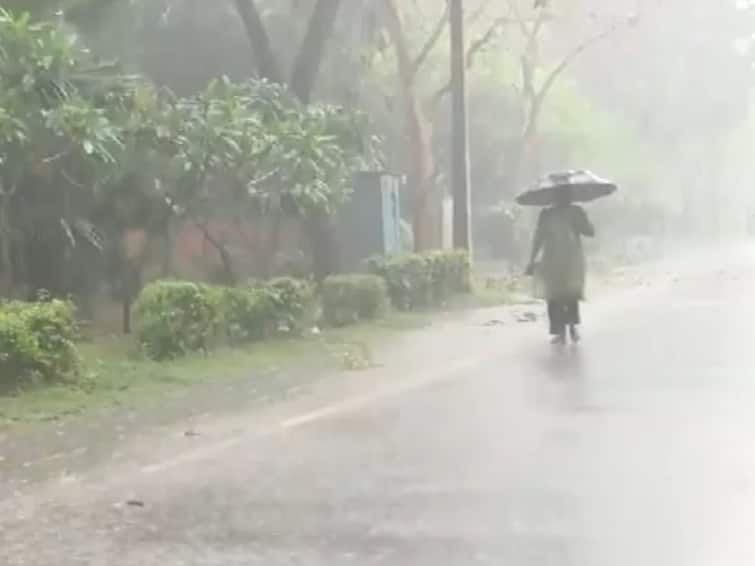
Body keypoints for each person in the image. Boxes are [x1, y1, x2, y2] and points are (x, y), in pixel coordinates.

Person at [526, 188, 595, 344]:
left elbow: (538, 239)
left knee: (559, 294)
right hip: (566, 259)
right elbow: (590, 231)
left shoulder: (549, 214)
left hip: (558, 259)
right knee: (564, 294)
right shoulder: (572, 212)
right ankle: (568, 328)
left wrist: (531, 260)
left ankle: (564, 329)